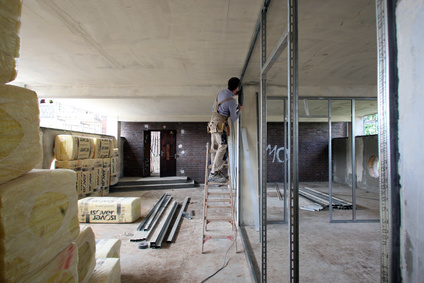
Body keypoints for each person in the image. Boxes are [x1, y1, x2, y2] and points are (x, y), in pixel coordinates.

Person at [207, 77, 243, 183]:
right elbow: (233, 119)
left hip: (212, 124)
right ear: (237, 88)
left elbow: (216, 108)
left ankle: (217, 171)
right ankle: (214, 173)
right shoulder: (231, 101)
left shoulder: (221, 93)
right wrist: (239, 110)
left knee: (216, 147)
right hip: (220, 126)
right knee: (223, 147)